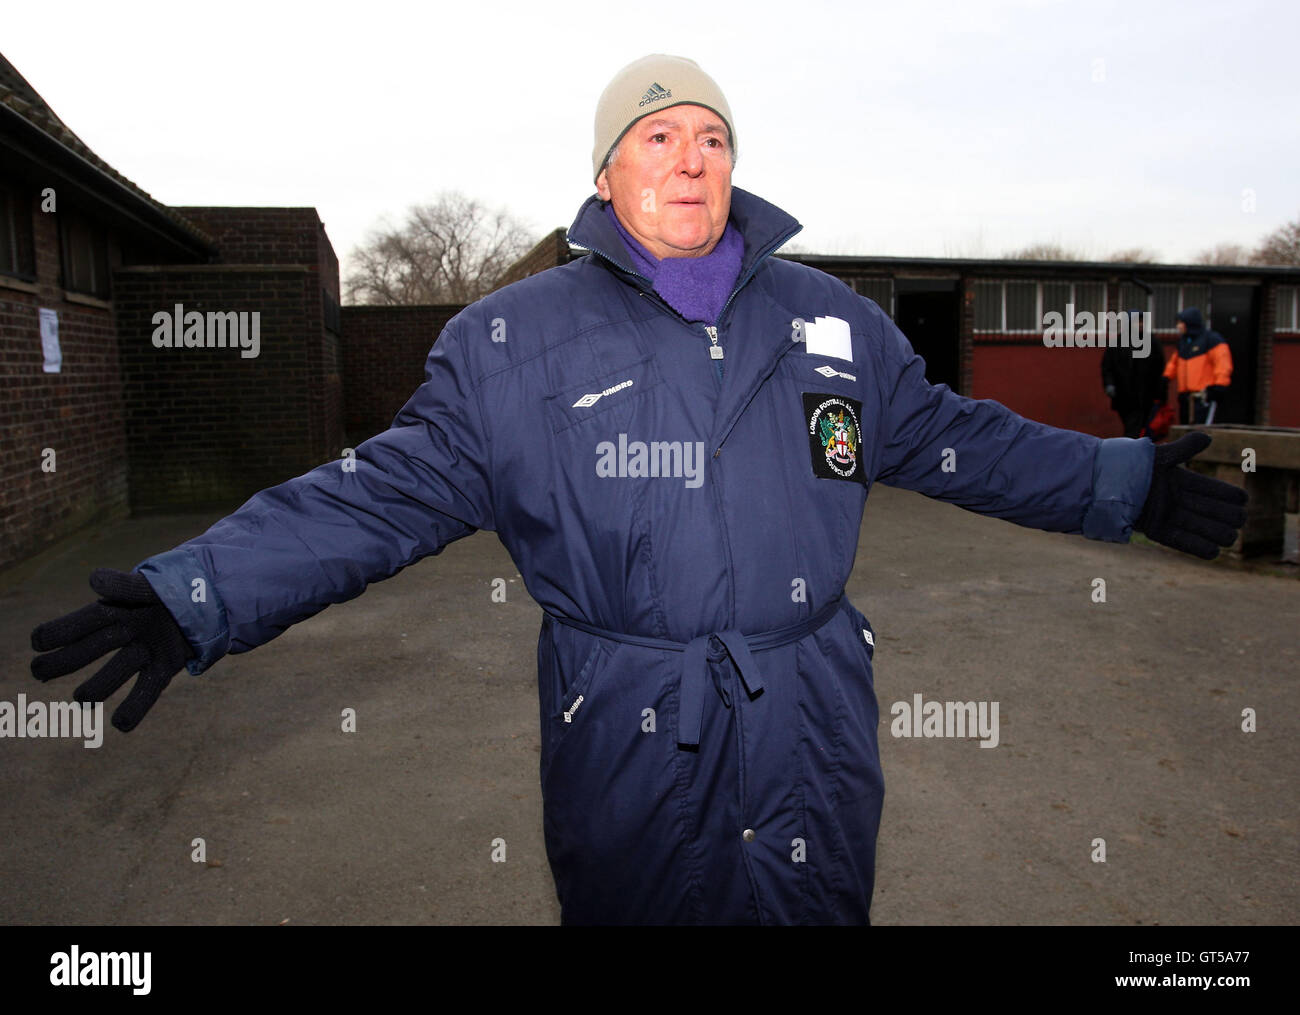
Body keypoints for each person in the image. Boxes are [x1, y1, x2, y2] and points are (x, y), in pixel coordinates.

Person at [30, 54, 1249, 926]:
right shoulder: (513, 343)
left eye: (713, 138)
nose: (692, 157)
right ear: (606, 176)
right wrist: (196, 590)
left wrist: (1118, 480)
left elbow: (950, 439)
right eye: (658, 137)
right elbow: (379, 496)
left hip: (810, 712)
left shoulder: (830, 320)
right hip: (627, 725)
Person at [1102, 310, 1167, 438]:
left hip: (1146, 396)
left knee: (1139, 428)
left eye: (1142, 321)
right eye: (1138, 321)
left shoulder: (1152, 342)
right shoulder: (1118, 342)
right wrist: (1109, 385)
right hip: (1124, 396)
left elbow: (1160, 368)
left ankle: (1133, 451)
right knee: (1133, 427)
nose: (1141, 324)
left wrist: (1161, 393)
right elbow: (1107, 366)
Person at [1164, 306, 1232, 424]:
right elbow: (1174, 363)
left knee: (1201, 430)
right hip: (1185, 396)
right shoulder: (1184, 342)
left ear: (1189, 323)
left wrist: (1219, 385)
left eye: (1181, 323)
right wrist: (1165, 378)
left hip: (1203, 396)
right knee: (1186, 431)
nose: (1178, 326)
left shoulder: (1211, 339)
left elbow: (1222, 364)